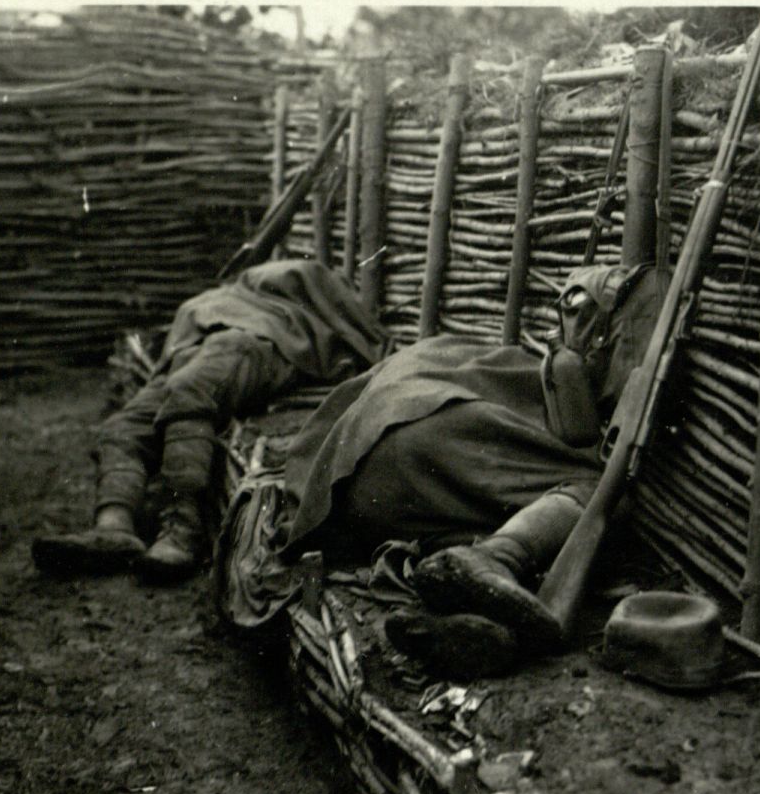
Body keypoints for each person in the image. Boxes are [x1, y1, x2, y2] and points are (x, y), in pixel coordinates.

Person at [274, 263, 669, 673]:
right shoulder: (554, 401)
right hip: (415, 448)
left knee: (486, 532)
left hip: (346, 482)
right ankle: (497, 558)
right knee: (601, 496)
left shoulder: (491, 356)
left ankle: (473, 625)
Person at [33, 260, 389, 582]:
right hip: (201, 346)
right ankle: (113, 525)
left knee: (191, 393)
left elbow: (344, 328)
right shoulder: (233, 295)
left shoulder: (306, 290)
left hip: (247, 343)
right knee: (123, 426)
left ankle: (182, 530)